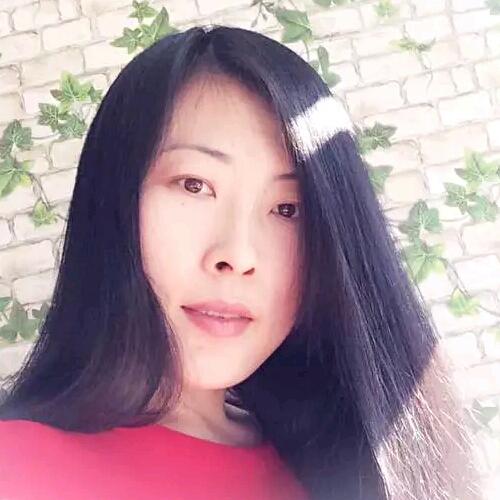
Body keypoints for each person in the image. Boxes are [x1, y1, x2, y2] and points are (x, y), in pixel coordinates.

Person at [0, 25, 480, 500]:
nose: (237, 256)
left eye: (287, 209)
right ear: (113, 200)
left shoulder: (363, 460)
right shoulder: (20, 468)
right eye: (194, 185)